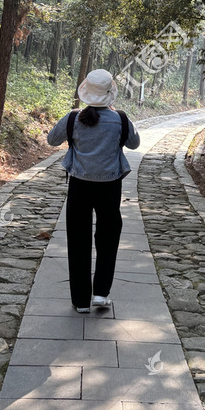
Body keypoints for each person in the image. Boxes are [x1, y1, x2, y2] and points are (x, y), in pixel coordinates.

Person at [46, 69, 140, 313]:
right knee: (108, 238)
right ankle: (100, 293)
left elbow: (51, 140)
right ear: (111, 94)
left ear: (86, 92)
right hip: (110, 187)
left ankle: (80, 301)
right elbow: (134, 143)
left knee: (78, 240)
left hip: (79, 185)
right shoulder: (120, 119)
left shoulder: (72, 118)